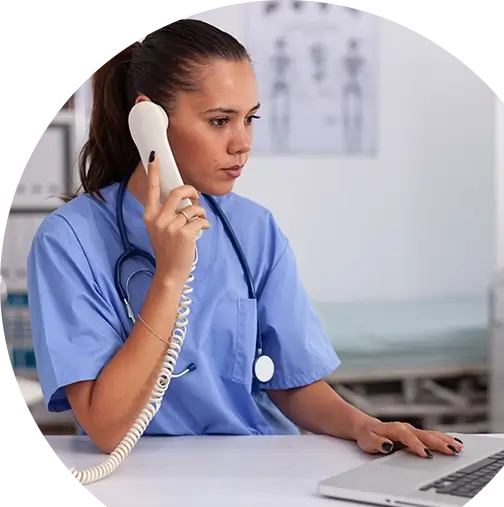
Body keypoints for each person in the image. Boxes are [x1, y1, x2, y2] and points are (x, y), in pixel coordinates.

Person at [27, 18, 463, 458]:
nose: (242, 144)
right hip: (140, 483)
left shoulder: (255, 230)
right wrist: (170, 279)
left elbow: (292, 385)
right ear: (150, 121)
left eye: (249, 119)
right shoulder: (68, 241)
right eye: (219, 121)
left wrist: (365, 425)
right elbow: (107, 429)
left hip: (257, 469)